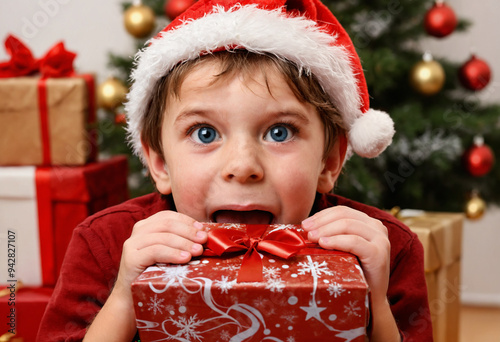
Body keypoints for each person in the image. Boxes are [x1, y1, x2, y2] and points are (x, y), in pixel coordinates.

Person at [37, 0, 432, 341]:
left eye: (280, 132)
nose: (242, 167)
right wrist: (125, 293)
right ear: (159, 164)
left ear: (329, 162)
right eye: (205, 133)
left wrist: (374, 302)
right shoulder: (106, 244)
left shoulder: (382, 249)